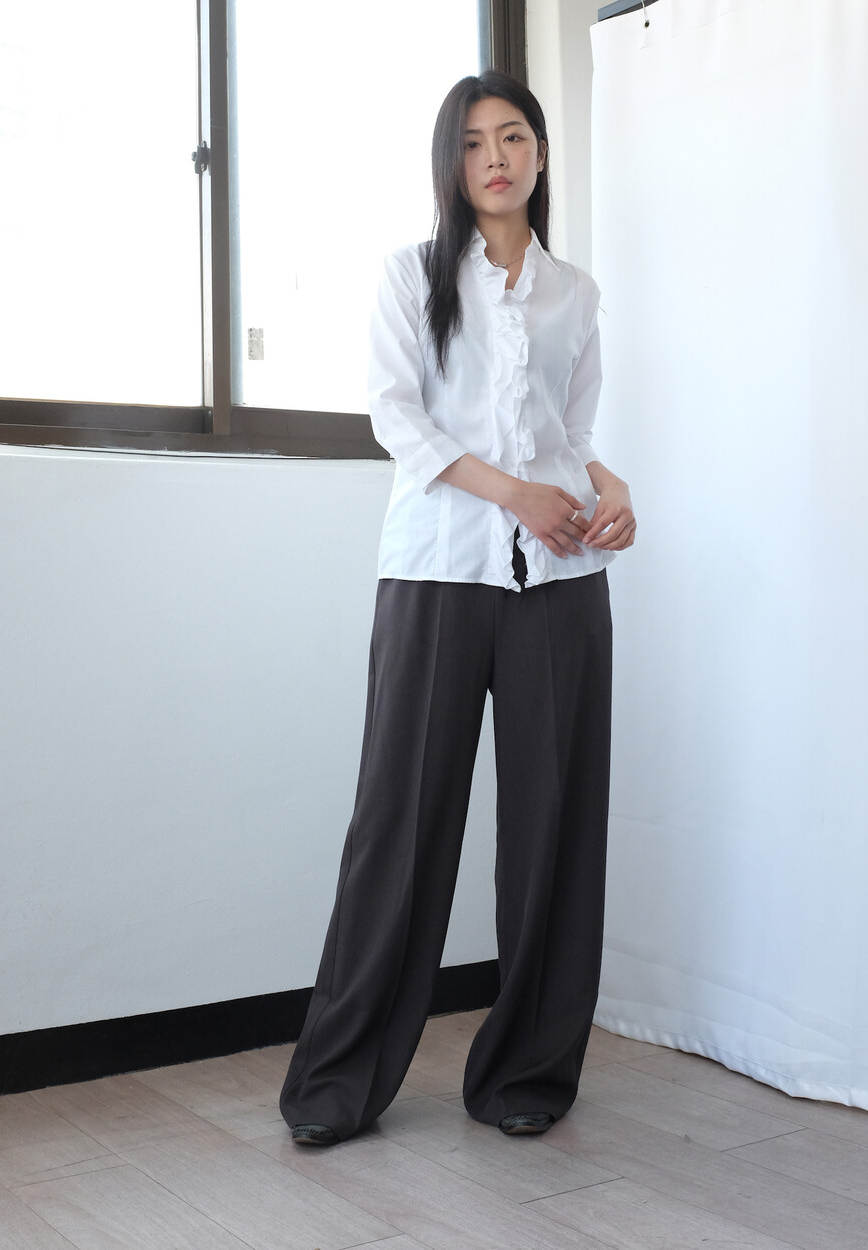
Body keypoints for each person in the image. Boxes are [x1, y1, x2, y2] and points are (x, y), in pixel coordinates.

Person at [279, 69, 635, 1146]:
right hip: (437, 572)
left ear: (538, 154)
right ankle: (337, 1083)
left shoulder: (576, 294)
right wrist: (515, 493)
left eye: (513, 136)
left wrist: (607, 488)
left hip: (560, 585)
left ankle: (527, 1072)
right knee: (400, 823)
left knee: (554, 829)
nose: (495, 157)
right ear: (451, 162)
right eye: (474, 141)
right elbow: (397, 418)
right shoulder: (412, 275)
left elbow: (571, 434)